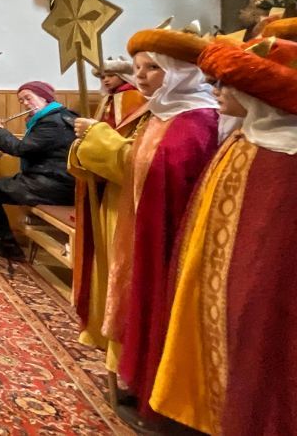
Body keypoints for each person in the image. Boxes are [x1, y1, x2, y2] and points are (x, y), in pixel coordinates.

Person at [69, 27, 218, 428]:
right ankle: (134, 377)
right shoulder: (158, 111)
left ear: (182, 71)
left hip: (159, 231)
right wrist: (93, 142)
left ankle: (155, 389)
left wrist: (98, 139)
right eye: (137, 68)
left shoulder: (197, 119)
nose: (141, 76)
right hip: (131, 217)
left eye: (153, 67)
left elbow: (149, 169)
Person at [150, 36, 297, 435]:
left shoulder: (283, 156)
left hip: (252, 287)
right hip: (215, 274)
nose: (216, 90)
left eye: (226, 84)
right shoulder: (243, 139)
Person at [68, 55, 150, 372]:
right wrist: (84, 145)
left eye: (110, 74)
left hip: (125, 196)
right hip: (107, 189)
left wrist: (95, 138)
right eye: (101, 75)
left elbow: (132, 153)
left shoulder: (135, 99)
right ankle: (101, 325)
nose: (104, 80)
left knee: (119, 265)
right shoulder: (109, 100)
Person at [0, 81, 77, 259]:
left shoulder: (53, 123)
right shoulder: (54, 117)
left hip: (56, 186)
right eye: (21, 100)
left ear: (44, 98)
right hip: (48, 179)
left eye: (28, 98)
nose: (25, 103)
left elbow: (21, 149)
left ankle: (7, 247)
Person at [91, 56, 146, 130]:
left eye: (111, 75)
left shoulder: (133, 95)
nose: (106, 80)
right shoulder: (107, 98)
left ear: (122, 76)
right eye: (102, 77)